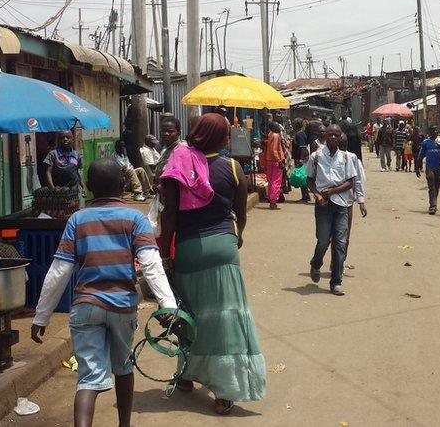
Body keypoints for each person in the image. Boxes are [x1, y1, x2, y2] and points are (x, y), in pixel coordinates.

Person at [30, 158, 176, 427]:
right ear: (122, 185)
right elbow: (152, 266)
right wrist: (168, 306)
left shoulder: (77, 219)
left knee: (88, 378)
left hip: (86, 306)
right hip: (122, 307)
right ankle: (124, 425)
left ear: (89, 187)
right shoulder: (135, 218)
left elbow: (58, 271)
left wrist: (42, 317)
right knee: (123, 367)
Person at [158, 113, 266, 415]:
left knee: (189, 316)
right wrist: (238, 235)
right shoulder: (232, 167)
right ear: (223, 138)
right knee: (225, 320)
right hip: (223, 247)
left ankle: (186, 376)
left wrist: (166, 254)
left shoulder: (179, 164)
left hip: (189, 249)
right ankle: (223, 392)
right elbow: (240, 211)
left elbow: (169, 216)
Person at [306, 124, 360, 296]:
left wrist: (333, 191)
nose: (333, 138)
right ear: (325, 136)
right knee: (323, 239)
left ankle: (336, 281)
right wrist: (317, 195)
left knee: (340, 242)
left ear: (340, 137)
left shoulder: (346, 158)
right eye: (330, 134)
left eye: (337, 135)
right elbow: (309, 180)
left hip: (342, 204)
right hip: (322, 204)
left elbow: (351, 182)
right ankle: (316, 262)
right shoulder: (315, 156)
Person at [416, 126, 440, 216]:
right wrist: (417, 167)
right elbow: (421, 155)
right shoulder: (426, 142)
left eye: (436, 130)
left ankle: (434, 203)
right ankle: (432, 206)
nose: (434, 132)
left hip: (439, 167)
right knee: (431, 186)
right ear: (429, 132)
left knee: (436, 186)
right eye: (432, 131)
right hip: (429, 167)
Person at [261, 121, 286, 210]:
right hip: (275, 161)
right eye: (277, 126)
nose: (279, 128)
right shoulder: (275, 135)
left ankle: (271, 198)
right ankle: (273, 201)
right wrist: (280, 161)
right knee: (276, 181)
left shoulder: (270, 134)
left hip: (269, 161)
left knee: (271, 181)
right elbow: (274, 150)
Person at [291, 119, 311, 203]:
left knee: (301, 176)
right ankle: (306, 195)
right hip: (300, 157)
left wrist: (301, 160)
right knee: (302, 177)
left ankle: (305, 197)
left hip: (301, 157)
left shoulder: (299, 134)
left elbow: (303, 147)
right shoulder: (299, 133)